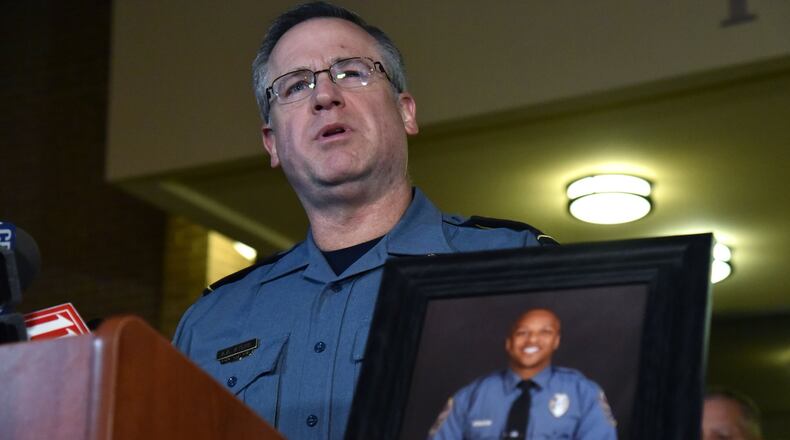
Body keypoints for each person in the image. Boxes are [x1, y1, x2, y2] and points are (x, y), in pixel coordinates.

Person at [173, 2, 555, 439]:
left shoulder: (516, 264)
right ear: (272, 143)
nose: (324, 96)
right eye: (295, 85)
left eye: (351, 73)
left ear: (406, 111)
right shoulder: (209, 322)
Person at [428, 308, 616, 439]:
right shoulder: (471, 397)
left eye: (545, 332)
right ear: (509, 342)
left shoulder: (583, 393)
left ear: (556, 341)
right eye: (522, 332)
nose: (532, 339)